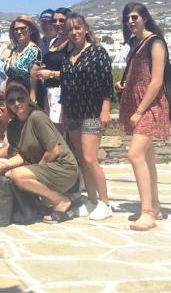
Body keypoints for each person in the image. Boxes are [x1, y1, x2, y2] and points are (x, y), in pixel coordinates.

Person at [0, 82, 80, 224]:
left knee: (18, 175)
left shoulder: (37, 117)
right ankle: (46, 200)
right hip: (45, 167)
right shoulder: (13, 127)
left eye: (20, 99)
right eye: (11, 101)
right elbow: (22, 156)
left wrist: (35, 169)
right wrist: (2, 165)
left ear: (28, 99)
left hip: (63, 167)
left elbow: (54, 151)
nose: (17, 103)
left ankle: (60, 201)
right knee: (10, 173)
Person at [117, 2, 171, 231]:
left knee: (135, 154)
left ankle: (147, 212)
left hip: (150, 106)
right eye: (127, 18)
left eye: (134, 17)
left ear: (145, 18)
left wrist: (139, 111)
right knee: (147, 157)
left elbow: (156, 81)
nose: (130, 21)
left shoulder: (155, 42)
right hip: (136, 103)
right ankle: (154, 206)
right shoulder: (136, 44)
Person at [60, 13, 114, 221]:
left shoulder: (98, 52)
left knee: (91, 159)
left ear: (85, 28)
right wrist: (64, 113)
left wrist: (105, 110)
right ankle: (91, 200)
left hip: (91, 113)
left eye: (77, 28)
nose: (74, 32)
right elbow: (65, 87)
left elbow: (106, 83)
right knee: (83, 160)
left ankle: (105, 202)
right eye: (70, 29)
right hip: (73, 114)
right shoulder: (68, 55)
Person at [32, 8, 71, 117]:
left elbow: (74, 74)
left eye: (61, 21)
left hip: (65, 95)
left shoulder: (72, 43)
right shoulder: (54, 42)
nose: (57, 24)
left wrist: (50, 74)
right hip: (49, 94)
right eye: (54, 21)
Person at [6, 15, 41, 100]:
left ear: (30, 30)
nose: (19, 32)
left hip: (25, 97)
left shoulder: (34, 50)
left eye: (22, 28)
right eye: (16, 29)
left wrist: (32, 98)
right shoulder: (13, 49)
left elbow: (34, 78)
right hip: (12, 97)